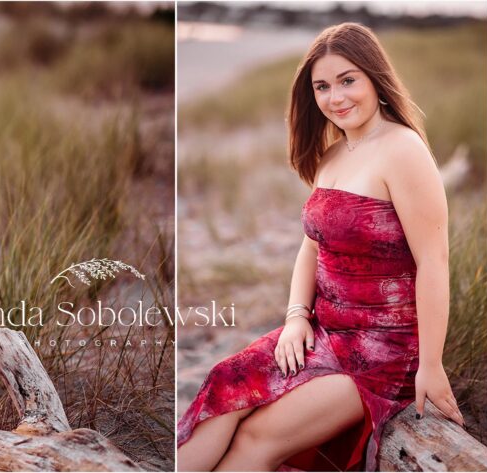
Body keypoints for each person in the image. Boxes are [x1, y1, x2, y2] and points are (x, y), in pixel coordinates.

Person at [176, 23, 464, 472]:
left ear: (374, 77)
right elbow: (311, 248)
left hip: (382, 350)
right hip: (323, 330)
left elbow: (433, 261)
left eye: (348, 80)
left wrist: (431, 364)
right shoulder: (334, 155)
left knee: (258, 435)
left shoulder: (403, 150)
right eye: (322, 86)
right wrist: (295, 318)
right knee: (223, 388)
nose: (336, 97)